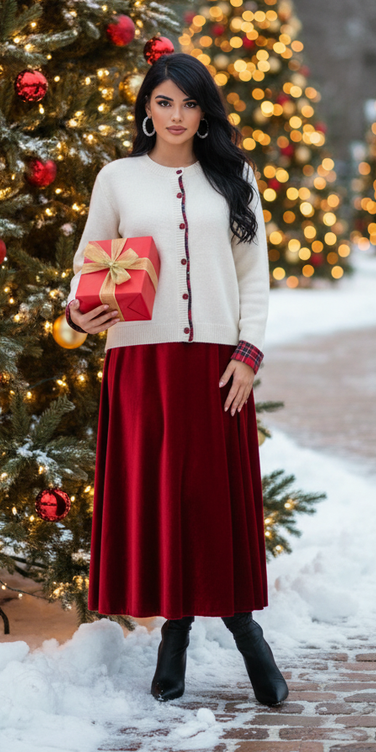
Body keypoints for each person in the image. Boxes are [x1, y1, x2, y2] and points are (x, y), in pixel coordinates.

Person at [64, 53, 288, 706]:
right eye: (165, 102)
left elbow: (255, 274)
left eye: (188, 104)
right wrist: (80, 314)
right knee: (165, 502)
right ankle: (175, 636)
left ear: (203, 112)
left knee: (214, 506)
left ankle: (249, 636)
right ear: (147, 108)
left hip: (218, 363)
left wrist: (248, 353)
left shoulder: (233, 177)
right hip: (142, 361)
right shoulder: (118, 178)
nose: (177, 116)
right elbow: (87, 267)